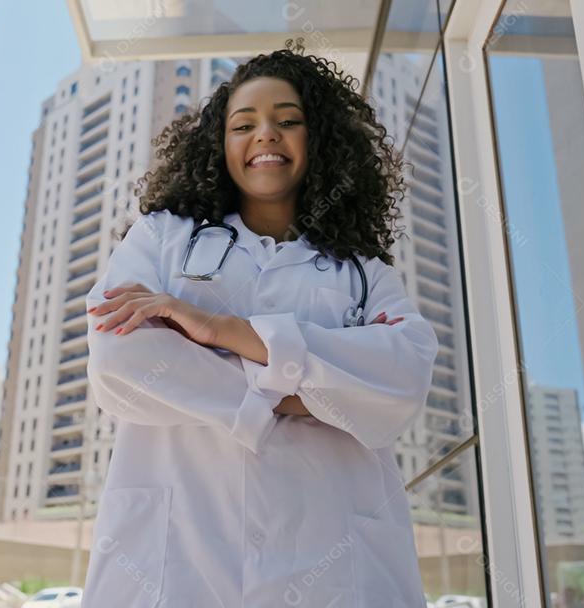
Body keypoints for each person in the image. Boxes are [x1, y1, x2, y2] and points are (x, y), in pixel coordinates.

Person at [82, 40, 439, 607]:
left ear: (317, 141)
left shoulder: (365, 274)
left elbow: (402, 378)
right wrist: (312, 389)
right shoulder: (161, 238)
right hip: (178, 566)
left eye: (288, 120)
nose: (265, 134)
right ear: (219, 145)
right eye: (242, 124)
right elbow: (120, 363)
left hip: (334, 571)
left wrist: (218, 332)